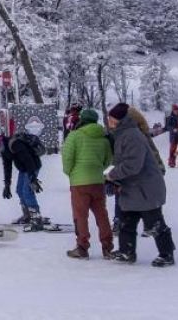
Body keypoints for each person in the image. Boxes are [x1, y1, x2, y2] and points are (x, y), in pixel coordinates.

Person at [105, 103, 177, 268]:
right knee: (126, 222)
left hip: (145, 189)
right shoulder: (122, 134)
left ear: (118, 119)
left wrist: (111, 174)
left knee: (155, 224)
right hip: (133, 188)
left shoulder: (131, 135)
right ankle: (126, 252)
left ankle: (167, 254)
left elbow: (132, 165)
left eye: (111, 118)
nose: (108, 121)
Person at [61, 108, 114, 259]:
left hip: (79, 182)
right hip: (98, 181)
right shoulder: (103, 138)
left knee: (80, 215)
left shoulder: (74, 136)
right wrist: (97, 170)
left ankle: (82, 247)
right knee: (102, 214)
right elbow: (108, 160)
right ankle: (108, 247)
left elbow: (67, 160)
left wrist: (71, 173)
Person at [1, 127, 47, 229]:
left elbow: (28, 159)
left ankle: (36, 218)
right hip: (24, 168)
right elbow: (7, 168)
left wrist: (33, 177)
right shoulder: (5, 150)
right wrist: (7, 185)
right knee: (19, 190)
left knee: (27, 191)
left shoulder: (15, 144)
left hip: (32, 166)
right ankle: (28, 215)